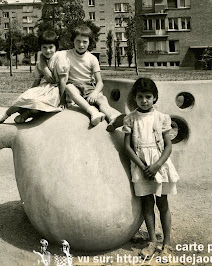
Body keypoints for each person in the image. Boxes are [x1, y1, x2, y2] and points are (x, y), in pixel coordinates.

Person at [122, 78, 179, 260]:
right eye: (140, 97)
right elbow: (127, 147)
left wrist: (156, 166)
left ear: (155, 97)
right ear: (134, 98)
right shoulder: (130, 118)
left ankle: (167, 243)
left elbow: (168, 146)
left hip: (159, 165)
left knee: (163, 204)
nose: (144, 101)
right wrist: (142, 166)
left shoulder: (162, 118)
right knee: (147, 204)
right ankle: (152, 241)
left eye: (148, 97)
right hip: (141, 166)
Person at [0, 30, 68, 124]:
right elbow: (37, 80)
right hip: (45, 88)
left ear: (56, 47)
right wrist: (30, 92)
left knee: (40, 104)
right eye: (44, 48)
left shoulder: (59, 59)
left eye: (51, 47)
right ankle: (4, 116)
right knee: (25, 97)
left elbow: (62, 81)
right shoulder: (40, 62)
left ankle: (26, 114)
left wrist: (62, 100)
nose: (48, 50)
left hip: (57, 90)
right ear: (40, 48)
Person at [59, 25, 124, 129]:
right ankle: (92, 111)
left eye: (85, 42)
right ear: (73, 41)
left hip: (89, 86)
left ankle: (112, 117)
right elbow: (48, 54)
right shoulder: (65, 54)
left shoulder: (92, 59)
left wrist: (94, 93)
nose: (81, 45)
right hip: (74, 86)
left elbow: (100, 82)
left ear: (89, 42)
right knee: (68, 87)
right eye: (78, 41)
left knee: (101, 98)